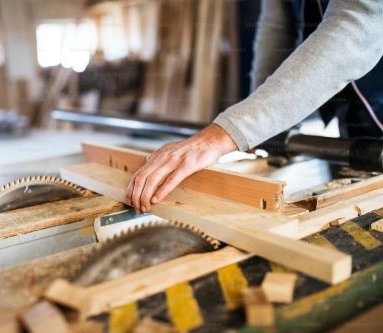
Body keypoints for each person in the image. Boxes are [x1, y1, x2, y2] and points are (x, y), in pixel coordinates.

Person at [126, 0, 383, 213]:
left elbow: (357, 25)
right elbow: (278, 23)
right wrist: (261, 129)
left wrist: (223, 135)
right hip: (358, 118)